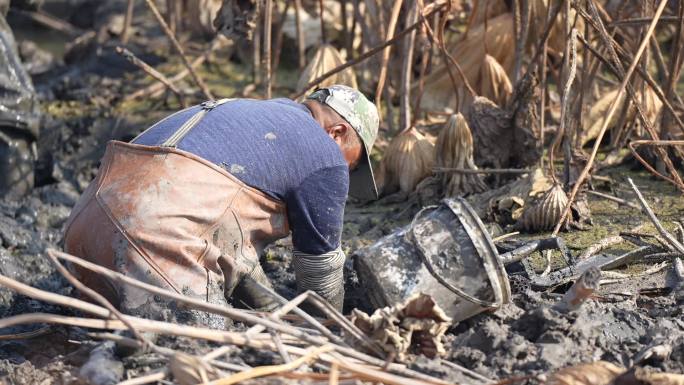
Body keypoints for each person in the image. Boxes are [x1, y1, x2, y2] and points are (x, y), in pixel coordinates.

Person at [63, 85, 379, 323]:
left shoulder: (246, 113)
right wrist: (323, 332)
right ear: (337, 133)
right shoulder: (324, 152)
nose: (347, 174)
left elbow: (222, 236)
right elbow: (320, 273)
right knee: (203, 355)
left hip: (84, 228)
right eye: (353, 165)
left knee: (85, 341)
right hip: (155, 238)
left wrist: (271, 311)